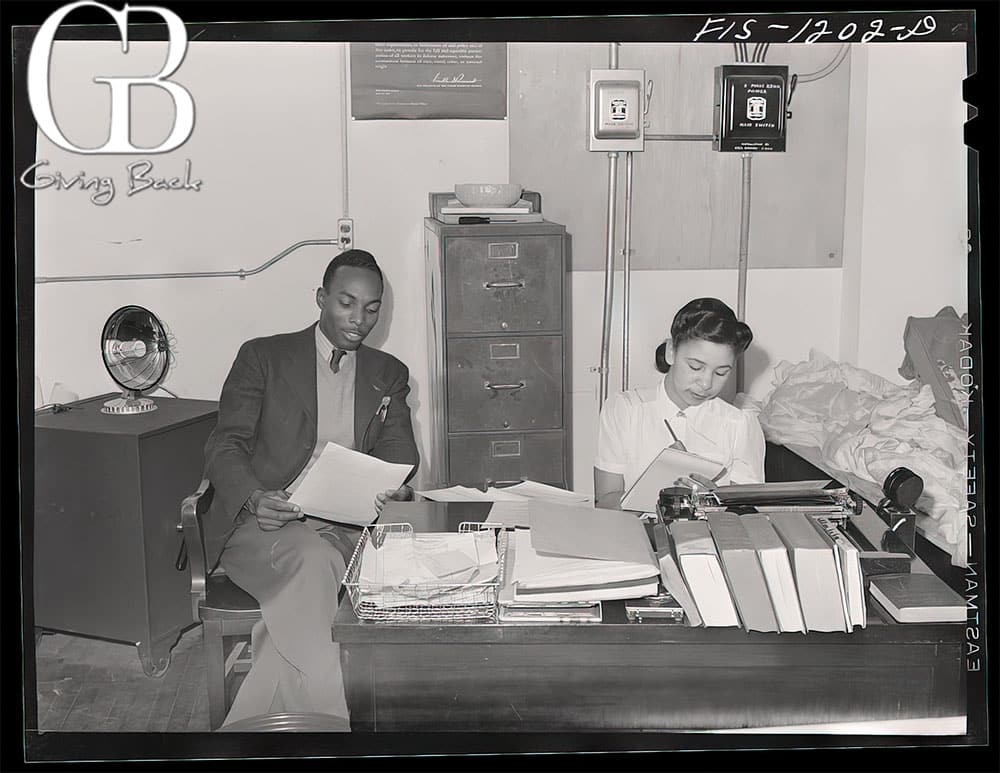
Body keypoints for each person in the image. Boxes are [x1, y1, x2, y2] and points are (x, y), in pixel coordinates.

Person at [201, 249, 419, 727]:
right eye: (346, 302)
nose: (359, 319)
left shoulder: (389, 374)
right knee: (313, 562)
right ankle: (335, 724)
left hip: (348, 528)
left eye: (372, 307)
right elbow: (225, 445)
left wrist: (393, 488)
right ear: (321, 298)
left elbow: (401, 457)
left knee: (302, 601)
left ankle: (243, 734)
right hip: (266, 526)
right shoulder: (263, 356)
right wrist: (257, 496)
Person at [594, 297, 765, 509]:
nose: (706, 383)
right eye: (695, 367)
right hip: (635, 535)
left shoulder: (740, 424)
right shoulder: (624, 410)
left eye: (721, 372)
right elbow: (605, 502)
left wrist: (712, 501)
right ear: (671, 352)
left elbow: (749, 512)